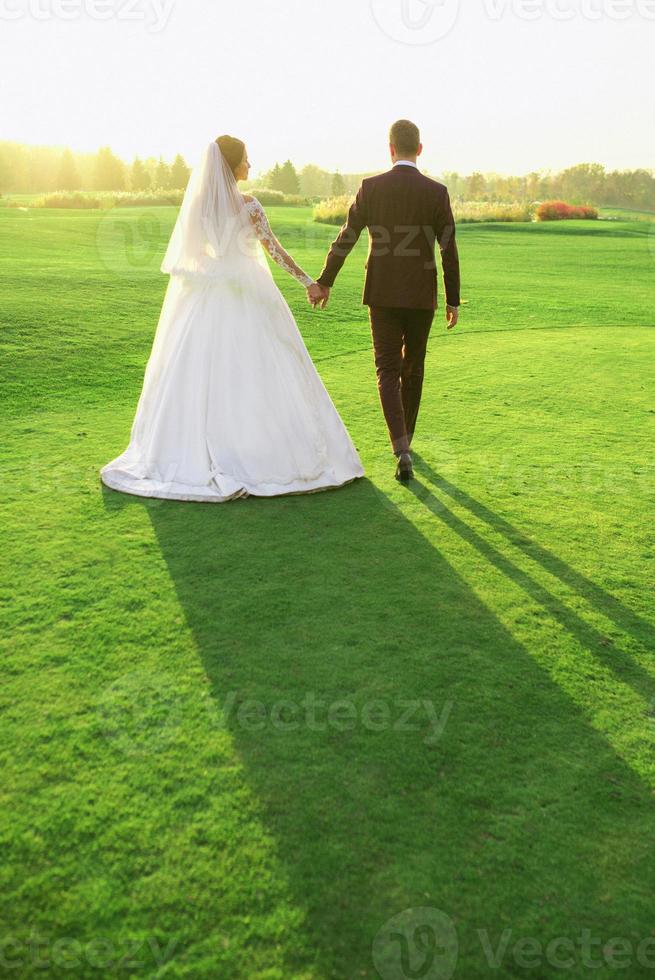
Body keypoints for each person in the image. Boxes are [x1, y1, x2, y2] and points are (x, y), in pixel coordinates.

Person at [100, 136, 364, 503]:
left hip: (206, 295)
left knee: (202, 370)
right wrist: (309, 282)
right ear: (232, 166)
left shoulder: (198, 208)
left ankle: (202, 446)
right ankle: (254, 449)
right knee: (256, 368)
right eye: (246, 161)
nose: (250, 167)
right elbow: (273, 250)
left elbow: (192, 254)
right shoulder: (249, 206)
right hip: (245, 292)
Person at [313, 119, 461, 483]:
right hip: (421, 295)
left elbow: (346, 237)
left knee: (387, 370)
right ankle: (406, 441)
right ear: (420, 149)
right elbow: (448, 249)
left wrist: (325, 281)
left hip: (381, 293)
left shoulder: (370, 188)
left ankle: (400, 448)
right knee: (415, 368)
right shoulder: (437, 192)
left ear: (390, 149)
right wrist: (452, 299)